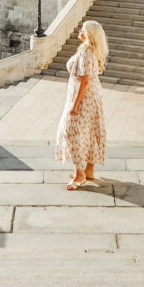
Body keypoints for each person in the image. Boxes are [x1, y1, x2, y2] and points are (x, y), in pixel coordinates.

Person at [55, 21, 108, 190]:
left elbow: (84, 81)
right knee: (91, 130)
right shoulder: (92, 50)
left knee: (71, 131)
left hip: (84, 98)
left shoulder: (86, 52)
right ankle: (89, 169)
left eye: (83, 29)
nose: (79, 31)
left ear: (89, 34)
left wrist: (74, 106)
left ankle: (80, 174)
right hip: (94, 96)